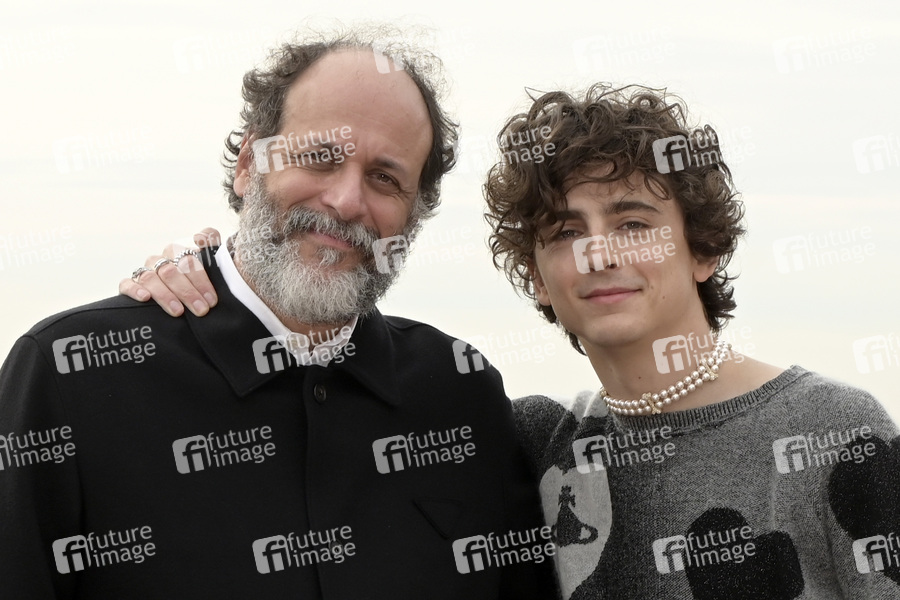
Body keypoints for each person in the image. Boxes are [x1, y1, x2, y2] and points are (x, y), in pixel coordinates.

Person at [137, 83, 900, 599]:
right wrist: (211, 275)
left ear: (702, 249)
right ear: (535, 276)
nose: (597, 254)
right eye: (565, 232)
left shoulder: (835, 431)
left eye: (633, 222)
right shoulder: (537, 443)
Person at [0, 29, 555, 599]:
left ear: (415, 214)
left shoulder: (463, 394)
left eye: (385, 178)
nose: (346, 201)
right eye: (318, 158)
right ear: (248, 164)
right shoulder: (70, 376)